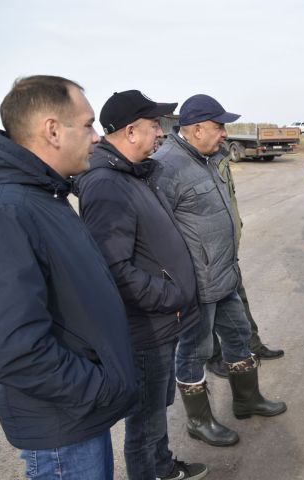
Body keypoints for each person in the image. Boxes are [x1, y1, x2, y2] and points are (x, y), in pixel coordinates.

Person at [0, 75, 137, 479]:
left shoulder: (43, 194)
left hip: (77, 416)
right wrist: (97, 389)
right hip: (61, 427)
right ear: (52, 130)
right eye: (87, 124)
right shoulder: (6, 209)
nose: (98, 137)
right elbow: (10, 346)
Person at [75, 90, 207, 480]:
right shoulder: (106, 184)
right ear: (131, 131)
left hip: (163, 321)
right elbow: (113, 267)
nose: (160, 135)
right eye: (154, 127)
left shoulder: (134, 174)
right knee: (145, 420)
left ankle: (162, 466)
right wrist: (170, 297)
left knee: (155, 410)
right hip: (146, 326)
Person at [153, 94, 286, 447]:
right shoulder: (166, 166)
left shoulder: (208, 157)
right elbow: (155, 234)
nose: (224, 133)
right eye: (218, 126)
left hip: (225, 274)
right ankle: (199, 421)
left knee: (239, 335)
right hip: (197, 282)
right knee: (194, 351)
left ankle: (246, 400)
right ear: (196, 129)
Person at [206, 146, 284, 379]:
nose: (224, 134)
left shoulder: (219, 158)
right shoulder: (190, 163)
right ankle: (214, 357)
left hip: (228, 247)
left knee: (239, 299)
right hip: (208, 254)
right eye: (218, 126)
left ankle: (253, 345)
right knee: (208, 309)